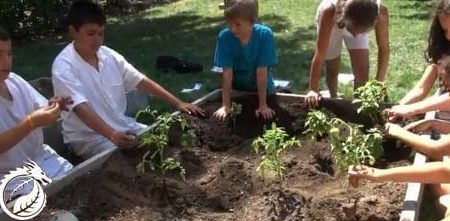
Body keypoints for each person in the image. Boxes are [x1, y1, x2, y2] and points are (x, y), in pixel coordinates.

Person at [52, 0, 203, 159]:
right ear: (73, 31)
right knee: (134, 160)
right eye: (90, 34)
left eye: (101, 33)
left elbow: (139, 80)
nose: (97, 39)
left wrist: (178, 103)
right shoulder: (63, 66)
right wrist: (111, 135)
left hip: (122, 125)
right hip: (89, 138)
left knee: (161, 143)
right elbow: (80, 109)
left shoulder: (108, 55)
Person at [0, 25, 73, 187]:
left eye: (9, 53)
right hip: (8, 178)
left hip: (42, 159)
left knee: (80, 183)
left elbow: (41, 110)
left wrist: (53, 106)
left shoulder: (14, 81)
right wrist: (30, 123)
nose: (6, 61)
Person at [306, 0, 389, 107]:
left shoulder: (380, 13)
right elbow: (320, 54)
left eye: (362, 32)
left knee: (362, 70)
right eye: (353, 31)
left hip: (355, 21)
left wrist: (379, 83)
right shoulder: (329, 11)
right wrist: (313, 89)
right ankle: (333, 97)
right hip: (333, 21)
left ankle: (360, 106)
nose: (355, 36)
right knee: (332, 65)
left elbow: (384, 49)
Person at [212, 0, 278, 121]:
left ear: (252, 21)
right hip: (238, 92)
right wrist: (226, 105)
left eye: (237, 25)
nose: (233, 29)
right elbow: (227, 73)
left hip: (264, 92)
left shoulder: (265, 35)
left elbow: (262, 72)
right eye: (230, 24)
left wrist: (263, 105)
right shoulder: (225, 37)